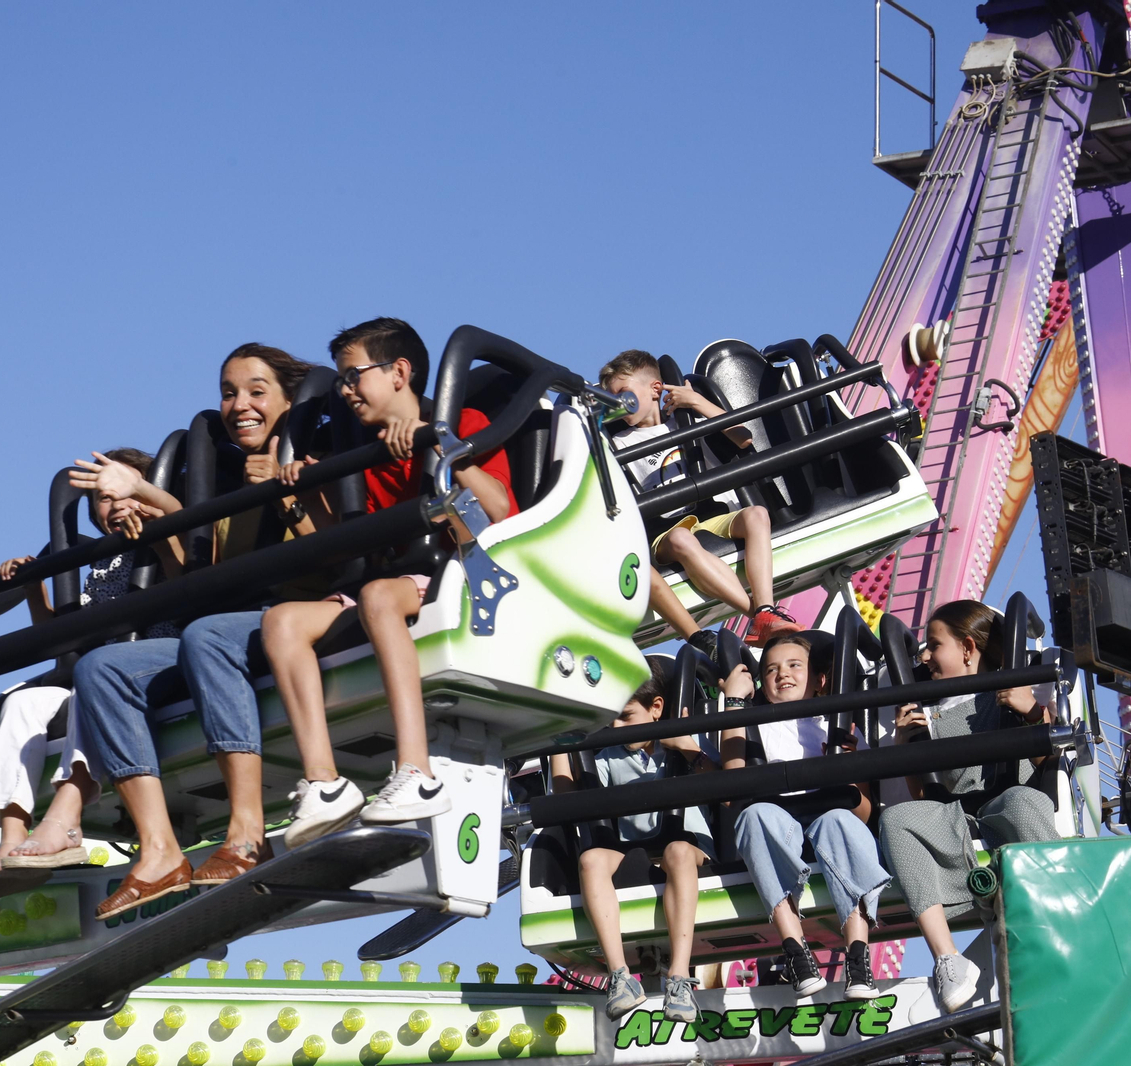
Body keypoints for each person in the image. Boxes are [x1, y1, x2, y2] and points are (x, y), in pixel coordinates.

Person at [58, 343, 323, 920]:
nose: (240, 405)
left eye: (257, 391)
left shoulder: (318, 456)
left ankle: (246, 832)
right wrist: (153, 517)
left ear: (289, 399)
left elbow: (335, 558)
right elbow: (201, 577)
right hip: (231, 624)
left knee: (207, 635)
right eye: (229, 393)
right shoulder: (227, 481)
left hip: (301, 618)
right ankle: (159, 852)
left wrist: (286, 492)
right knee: (99, 669)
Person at [262, 317, 518, 847]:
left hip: (462, 574)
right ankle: (324, 782)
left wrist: (438, 446)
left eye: (354, 376)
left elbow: (497, 514)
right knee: (281, 621)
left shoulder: (460, 420)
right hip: (389, 579)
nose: (346, 391)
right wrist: (303, 496)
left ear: (399, 371)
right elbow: (351, 542)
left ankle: (416, 772)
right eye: (341, 381)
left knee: (379, 596)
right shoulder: (367, 452)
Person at [0, 447, 177, 898]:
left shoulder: (165, 532)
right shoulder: (101, 561)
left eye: (119, 491)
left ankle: (67, 822)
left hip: (153, 663)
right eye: (100, 499)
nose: (113, 504)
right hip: (95, 669)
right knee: (22, 702)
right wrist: (32, 585)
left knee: (96, 678)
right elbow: (59, 633)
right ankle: (11, 839)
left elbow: (187, 571)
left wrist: (156, 527)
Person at [877, 599, 1058, 1013]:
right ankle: (948, 959)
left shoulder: (1006, 689)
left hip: (1006, 796)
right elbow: (925, 797)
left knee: (1024, 804)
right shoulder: (928, 709)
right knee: (899, 817)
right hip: (957, 810)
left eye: (933, 644)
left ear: (967, 648)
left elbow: (1050, 761)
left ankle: (1055, 923)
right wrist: (906, 747)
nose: (925, 655)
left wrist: (1030, 708)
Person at [549, 659, 720, 1024]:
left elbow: (725, 790)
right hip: (638, 853)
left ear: (656, 708)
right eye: (611, 719)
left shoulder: (686, 739)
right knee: (592, 859)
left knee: (676, 851)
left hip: (689, 850)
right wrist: (558, 744)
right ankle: (621, 977)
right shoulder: (612, 755)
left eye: (626, 717)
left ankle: (679, 977)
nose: (615, 727)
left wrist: (688, 747)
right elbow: (568, 798)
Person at [722, 632, 890, 1001]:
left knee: (839, 821)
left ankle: (858, 955)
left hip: (828, 827)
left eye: (795, 665)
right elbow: (734, 777)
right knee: (754, 815)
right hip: (779, 829)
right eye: (771, 669)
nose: (783, 673)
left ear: (819, 679)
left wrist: (847, 766)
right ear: (761, 683)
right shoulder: (755, 723)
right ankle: (796, 950)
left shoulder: (838, 724)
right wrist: (734, 702)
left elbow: (862, 810)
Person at [598, 350, 800, 649]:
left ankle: (766, 608)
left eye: (623, 394)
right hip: (668, 530)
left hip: (711, 513)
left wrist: (696, 402)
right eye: (610, 399)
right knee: (682, 539)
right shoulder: (616, 443)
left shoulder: (687, 418)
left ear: (655, 389)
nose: (618, 404)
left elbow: (744, 438)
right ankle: (757, 614)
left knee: (757, 514)